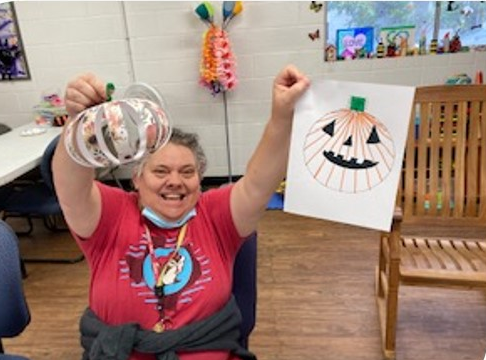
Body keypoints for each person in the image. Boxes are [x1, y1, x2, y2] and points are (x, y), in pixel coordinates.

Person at [52, 65, 310, 360]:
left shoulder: (216, 215)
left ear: (200, 181)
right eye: (160, 171)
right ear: (137, 178)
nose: (175, 181)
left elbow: (258, 183)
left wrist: (282, 116)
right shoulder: (110, 215)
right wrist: (79, 121)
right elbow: (70, 188)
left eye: (187, 172)